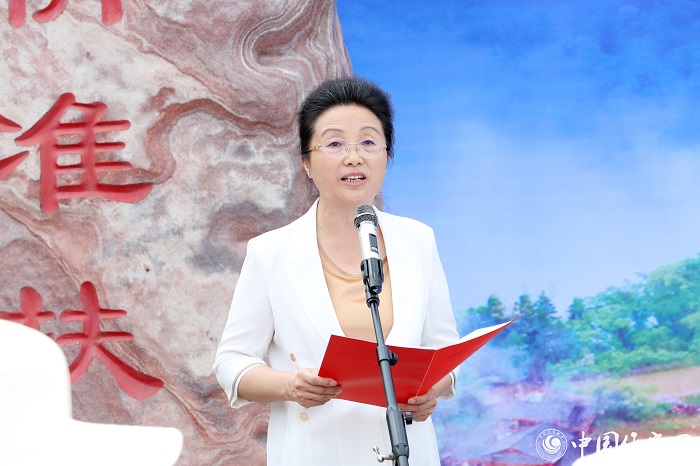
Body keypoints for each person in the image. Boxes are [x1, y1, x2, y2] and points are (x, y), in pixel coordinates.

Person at [213, 76, 459, 465]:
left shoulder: (418, 241)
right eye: (334, 144)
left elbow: (443, 352)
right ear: (306, 163)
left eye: (368, 142)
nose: (354, 157)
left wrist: (431, 389)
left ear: (387, 155)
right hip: (316, 451)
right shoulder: (271, 252)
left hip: (407, 450)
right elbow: (232, 362)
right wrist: (290, 386)